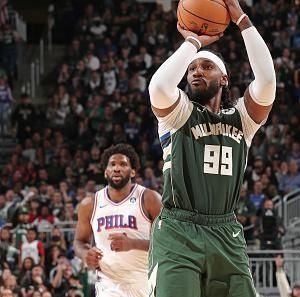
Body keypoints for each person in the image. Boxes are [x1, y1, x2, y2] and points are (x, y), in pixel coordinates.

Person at [147, 0, 276, 295]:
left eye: (206, 67)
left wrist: (242, 19)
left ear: (224, 78)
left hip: (226, 231)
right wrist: (192, 42)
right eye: (192, 68)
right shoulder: (177, 114)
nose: (196, 71)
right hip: (178, 231)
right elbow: (158, 87)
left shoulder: (243, 119)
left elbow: (267, 80)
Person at [73, 143, 162, 297]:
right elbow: (79, 241)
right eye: (112, 164)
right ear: (105, 171)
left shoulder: (150, 199)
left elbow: (168, 243)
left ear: (133, 171)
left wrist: (133, 244)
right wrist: (85, 254)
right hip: (109, 284)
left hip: (145, 281)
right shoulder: (89, 204)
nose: (117, 168)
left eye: (123, 164)